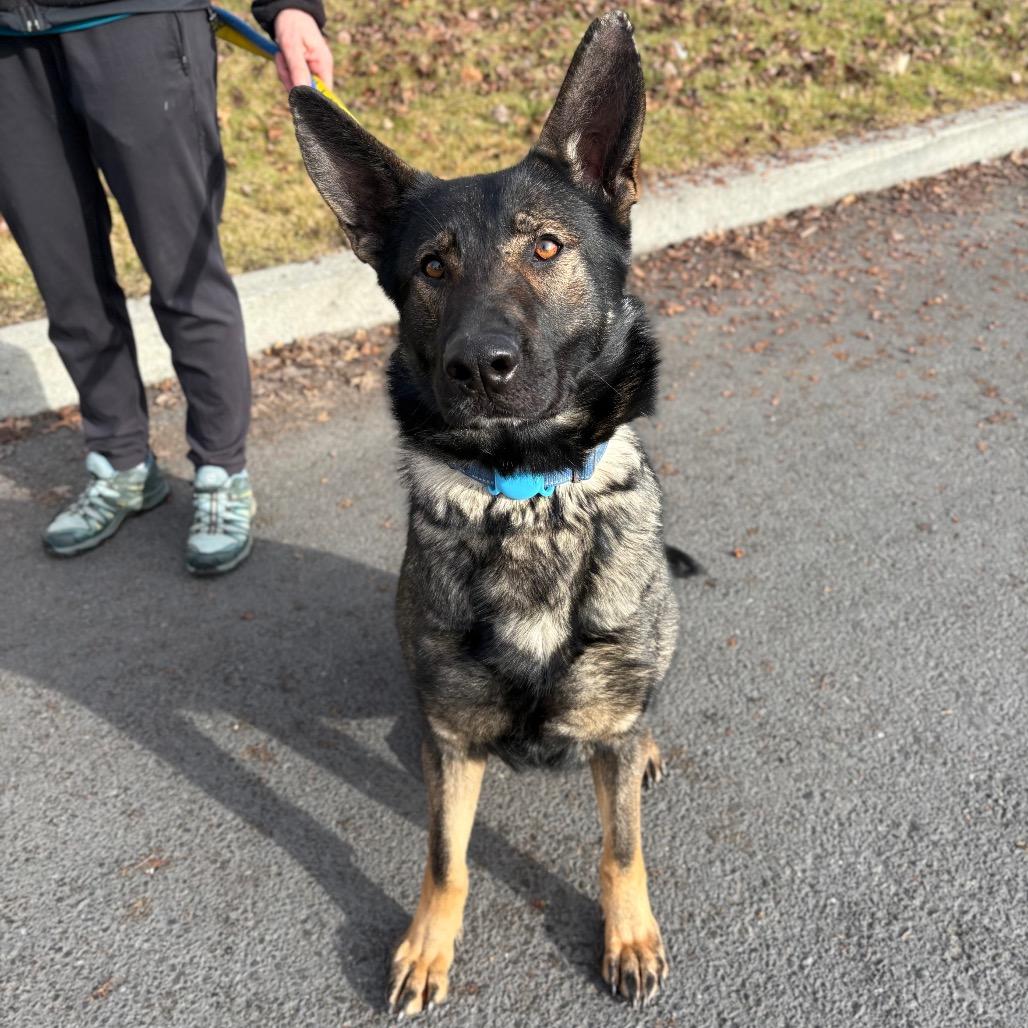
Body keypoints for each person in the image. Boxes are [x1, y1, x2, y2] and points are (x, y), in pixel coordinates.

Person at [0, 1, 332, 574]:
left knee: (185, 277)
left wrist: (291, 7)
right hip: (8, 44)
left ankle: (221, 472)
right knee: (66, 281)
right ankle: (121, 463)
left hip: (134, 22)